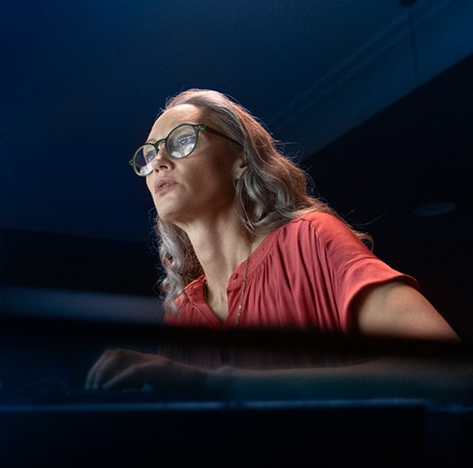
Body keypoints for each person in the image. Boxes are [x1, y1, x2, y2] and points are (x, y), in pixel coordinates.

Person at [85, 88, 459, 392]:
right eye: (149, 155)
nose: (160, 161)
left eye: (182, 140)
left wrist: (210, 384)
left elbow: (452, 371)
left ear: (241, 160)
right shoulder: (181, 312)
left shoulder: (310, 238)